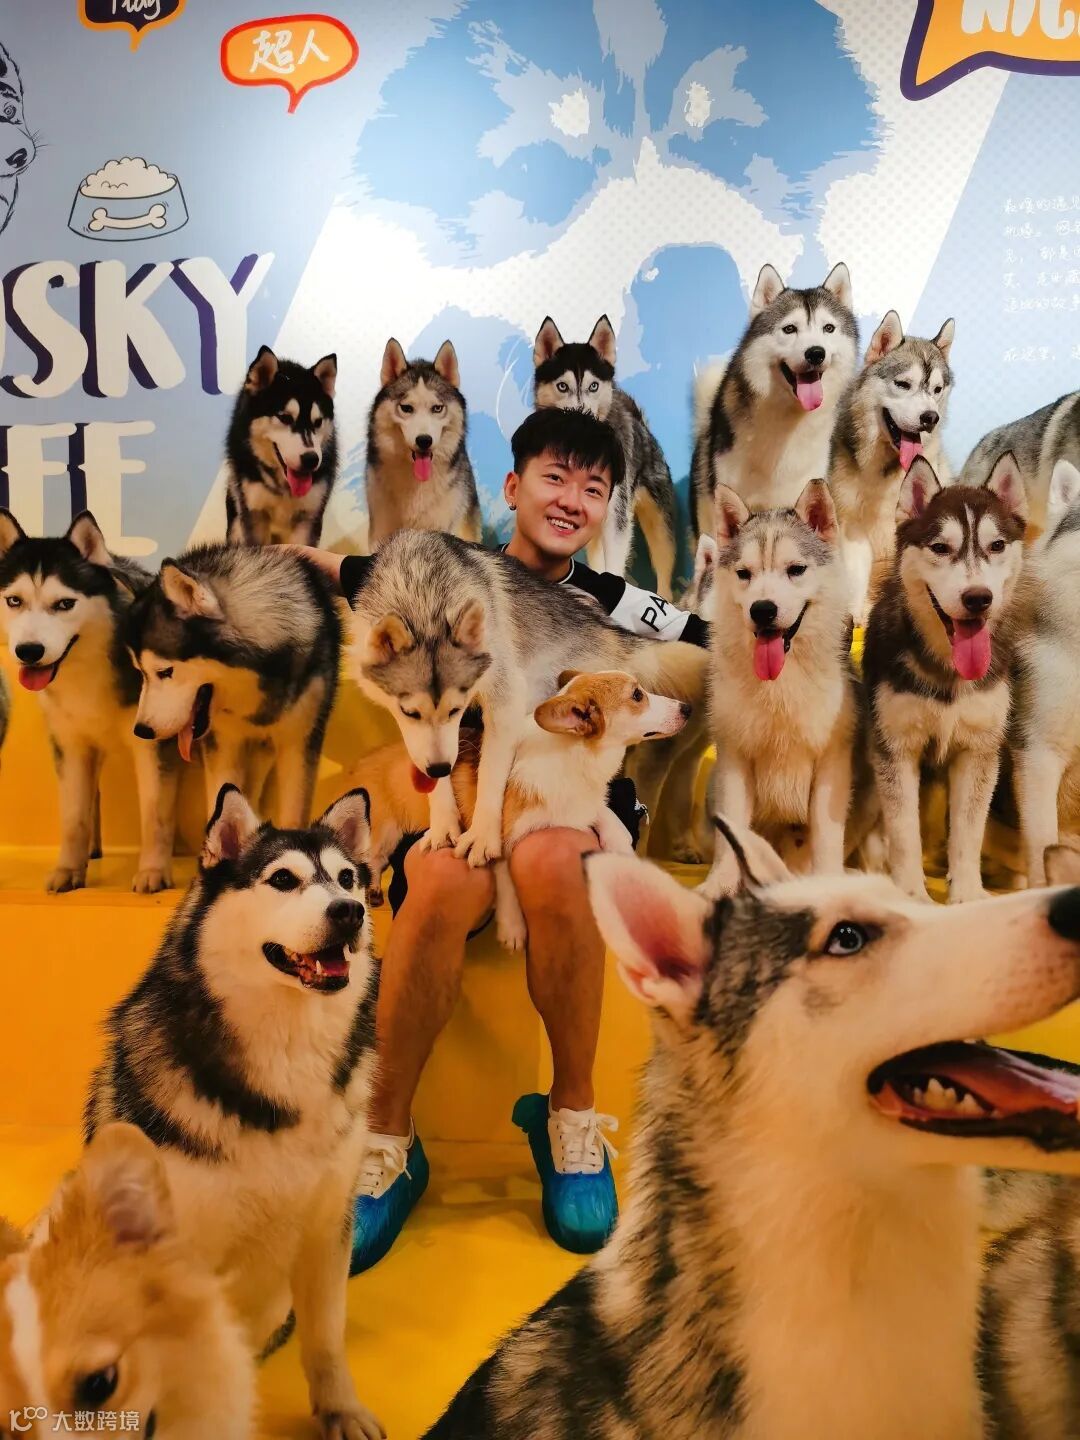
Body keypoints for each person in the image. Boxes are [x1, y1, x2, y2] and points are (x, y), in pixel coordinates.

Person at [296, 407, 707, 1269]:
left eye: (594, 489)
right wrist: (291, 562)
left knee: (553, 860)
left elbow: (707, 637)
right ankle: (386, 1142)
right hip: (469, 793)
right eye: (554, 479)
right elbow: (352, 575)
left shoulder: (612, 598)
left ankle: (571, 1121)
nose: (571, 500)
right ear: (513, 487)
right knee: (443, 882)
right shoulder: (459, 578)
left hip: (572, 801)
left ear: (608, 508)